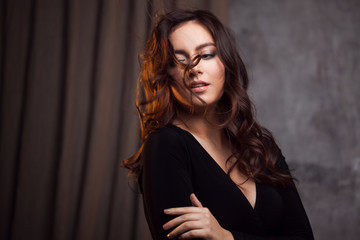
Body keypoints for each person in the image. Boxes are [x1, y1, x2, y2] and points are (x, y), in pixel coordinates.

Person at [122, 9, 314, 240]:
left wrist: (226, 237)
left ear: (226, 62)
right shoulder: (166, 145)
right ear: (167, 76)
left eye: (205, 55)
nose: (194, 69)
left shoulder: (260, 146)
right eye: (178, 61)